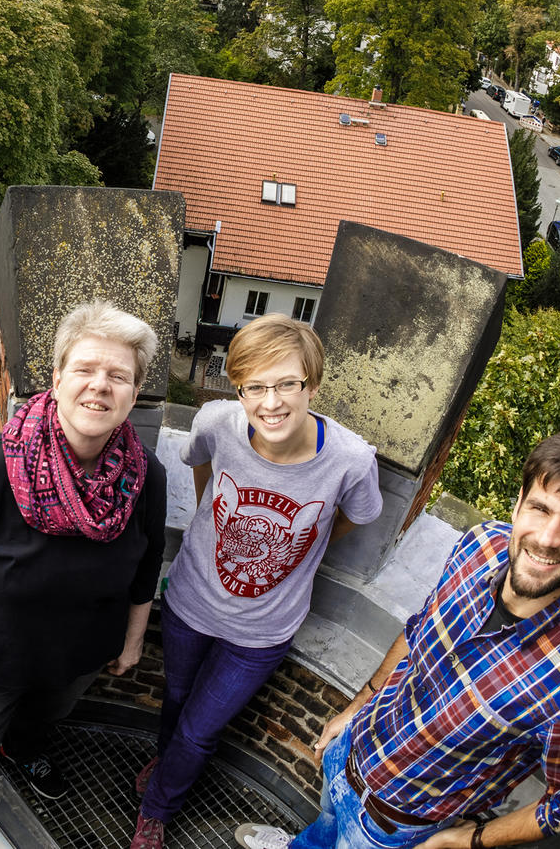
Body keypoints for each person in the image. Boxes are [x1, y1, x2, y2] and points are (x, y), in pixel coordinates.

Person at [235, 430, 560, 849]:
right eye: (540, 508)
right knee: (318, 834)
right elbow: (420, 629)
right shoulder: (480, 546)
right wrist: (357, 706)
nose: (549, 538)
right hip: (348, 756)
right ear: (519, 503)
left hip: (390, 829)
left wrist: (467, 840)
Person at [0, 301, 168, 844]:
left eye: (118, 376)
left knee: (44, 720)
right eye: (86, 370)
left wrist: (132, 640)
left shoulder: (146, 477)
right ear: (57, 378)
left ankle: (23, 750)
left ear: (134, 395)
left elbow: (147, 563)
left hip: (79, 654)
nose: (100, 386)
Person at [127, 315, 382, 849]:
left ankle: (157, 808)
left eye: (287, 383)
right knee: (175, 699)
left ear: (312, 384)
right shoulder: (218, 422)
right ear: (238, 388)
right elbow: (203, 468)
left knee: (199, 729)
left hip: (262, 632)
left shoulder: (350, 462)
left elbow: (355, 516)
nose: (272, 402)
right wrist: (210, 518)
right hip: (190, 602)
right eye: (255, 387)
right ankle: (168, 769)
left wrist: (307, 550)